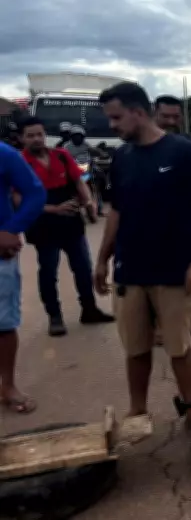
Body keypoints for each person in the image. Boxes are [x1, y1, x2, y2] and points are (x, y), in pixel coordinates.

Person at [94, 82, 191, 429]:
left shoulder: (182, 152)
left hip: (173, 269)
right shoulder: (122, 157)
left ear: (138, 112)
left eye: (116, 117)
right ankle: (137, 410)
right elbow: (116, 211)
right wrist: (103, 259)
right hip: (129, 270)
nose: (112, 126)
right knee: (135, 348)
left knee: (178, 347)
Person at [20, 118, 113, 336]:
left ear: (45, 135)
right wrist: (54, 209)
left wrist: (88, 203)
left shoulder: (61, 155)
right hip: (42, 224)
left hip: (71, 222)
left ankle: (89, 310)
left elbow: (80, 182)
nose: (36, 139)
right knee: (49, 272)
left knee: (83, 268)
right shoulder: (20, 164)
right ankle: (55, 317)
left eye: (39, 134)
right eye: (30, 135)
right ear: (22, 138)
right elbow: (19, 200)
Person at [0, 140, 46, 413]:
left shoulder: (4, 153)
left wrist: (11, 229)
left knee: (3, 323)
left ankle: (7, 385)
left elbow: (35, 194)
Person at [154, 95, 191, 339]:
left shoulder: (187, 145)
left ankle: (187, 318)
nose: (171, 121)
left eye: (176, 117)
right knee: (154, 274)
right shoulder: (144, 146)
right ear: (154, 115)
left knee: (189, 272)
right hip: (153, 222)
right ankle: (157, 324)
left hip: (185, 221)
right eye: (165, 116)